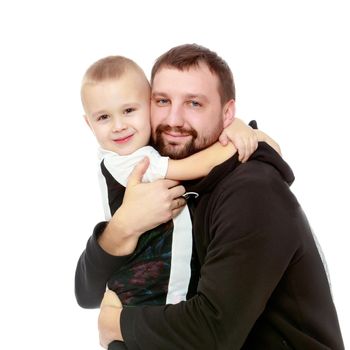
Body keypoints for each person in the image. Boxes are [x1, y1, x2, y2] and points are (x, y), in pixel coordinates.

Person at [77, 44, 344, 349]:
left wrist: (115, 324)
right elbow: (87, 292)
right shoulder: (159, 180)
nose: (174, 119)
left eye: (194, 103)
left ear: (227, 113)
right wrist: (124, 226)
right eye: (162, 101)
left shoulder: (252, 190)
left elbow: (213, 334)